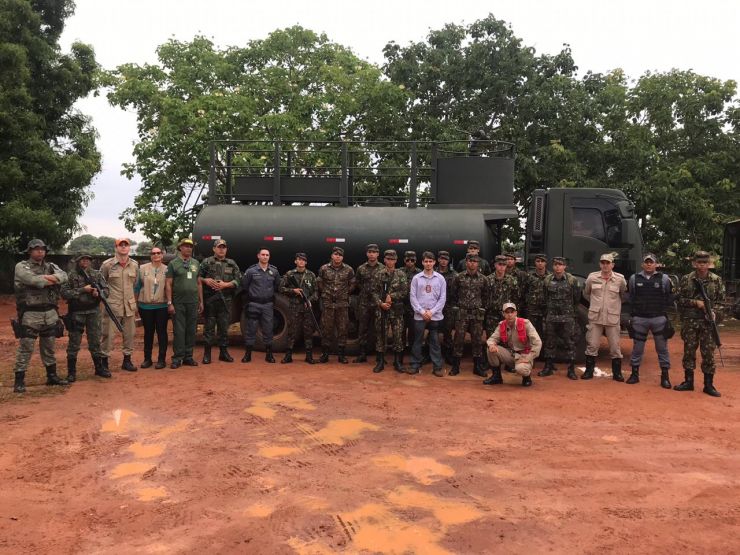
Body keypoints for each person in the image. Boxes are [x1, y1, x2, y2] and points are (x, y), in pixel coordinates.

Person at [11, 239, 69, 393]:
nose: (40, 252)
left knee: (49, 346)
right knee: (26, 347)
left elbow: (64, 277)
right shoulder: (22, 266)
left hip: (50, 312)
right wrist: (51, 279)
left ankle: (52, 377)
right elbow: (32, 280)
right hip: (30, 313)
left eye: (42, 249)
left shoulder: (51, 266)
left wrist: (44, 280)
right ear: (29, 251)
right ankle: (19, 381)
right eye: (36, 249)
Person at [675, 251, 726, 397]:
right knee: (689, 351)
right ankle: (688, 382)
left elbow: (722, 302)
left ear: (709, 264)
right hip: (690, 321)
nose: (702, 265)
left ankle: (708, 385)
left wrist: (715, 312)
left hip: (708, 323)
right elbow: (680, 299)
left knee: (708, 353)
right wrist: (696, 303)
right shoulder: (686, 279)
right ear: (694, 263)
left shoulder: (716, 280)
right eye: (699, 262)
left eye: (705, 262)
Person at [627, 253, 674, 387]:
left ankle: (665, 377)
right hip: (640, 318)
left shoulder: (664, 278)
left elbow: (669, 296)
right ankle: (634, 374)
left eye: (651, 262)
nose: (649, 264)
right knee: (637, 348)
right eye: (646, 262)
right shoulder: (634, 278)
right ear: (642, 264)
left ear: (656, 264)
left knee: (662, 348)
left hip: (658, 318)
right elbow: (630, 296)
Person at [61, 253, 110, 381]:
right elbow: (64, 293)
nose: (85, 261)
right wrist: (83, 290)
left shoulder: (96, 274)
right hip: (76, 312)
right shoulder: (71, 275)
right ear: (78, 261)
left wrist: (98, 292)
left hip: (93, 311)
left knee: (95, 341)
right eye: (82, 259)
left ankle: (99, 368)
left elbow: (106, 291)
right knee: (74, 343)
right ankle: (71, 372)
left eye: (88, 259)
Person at [582, 253, 627, 381]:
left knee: (615, 347)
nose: (605, 265)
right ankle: (589, 371)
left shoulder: (620, 279)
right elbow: (586, 293)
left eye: (608, 263)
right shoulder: (592, 277)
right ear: (599, 264)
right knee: (592, 345)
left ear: (613, 264)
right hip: (595, 318)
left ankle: (617, 373)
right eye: (603, 263)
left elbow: (623, 295)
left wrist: (613, 307)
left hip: (612, 318)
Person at [199, 239, 241, 365]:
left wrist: (226, 285)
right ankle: (207, 354)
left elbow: (238, 280)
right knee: (209, 329)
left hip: (225, 301)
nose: (221, 249)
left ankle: (223, 353)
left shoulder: (231, 263)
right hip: (210, 301)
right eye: (219, 247)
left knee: (224, 328)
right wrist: (206, 281)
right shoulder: (206, 262)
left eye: (224, 247)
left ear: (226, 249)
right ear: (214, 249)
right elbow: (198, 277)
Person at [100, 237, 139, 372]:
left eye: (126, 245)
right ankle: (104, 362)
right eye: (120, 245)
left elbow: (134, 284)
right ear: (116, 248)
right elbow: (101, 284)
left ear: (129, 248)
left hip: (129, 306)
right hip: (112, 306)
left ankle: (127, 361)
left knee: (129, 334)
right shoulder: (107, 265)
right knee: (108, 335)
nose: (123, 247)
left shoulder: (134, 265)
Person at [539, 257, 581, 379]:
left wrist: (570, 312)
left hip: (567, 317)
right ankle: (548, 367)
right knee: (550, 342)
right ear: (553, 266)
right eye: (556, 264)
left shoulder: (572, 280)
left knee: (569, 342)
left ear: (565, 266)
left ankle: (571, 369)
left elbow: (576, 298)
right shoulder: (547, 280)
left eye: (560, 265)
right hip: (551, 316)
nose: (558, 267)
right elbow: (545, 296)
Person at [166, 238, 203, 369]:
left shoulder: (196, 263)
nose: (188, 248)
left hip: (193, 302)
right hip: (178, 303)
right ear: (180, 248)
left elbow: (199, 283)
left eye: (190, 246)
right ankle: (177, 358)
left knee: (191, 331)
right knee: (179, 331)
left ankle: (188, 357)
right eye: (185, 246)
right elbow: (168, 284)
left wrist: (201, 301)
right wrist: (170, 303)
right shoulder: (173, 264)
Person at [449, 253, 489, 377]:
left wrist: (482, 308)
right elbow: (453, 294)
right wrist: (457, 308)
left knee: (477, 340)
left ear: (478, 263)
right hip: (462, 313)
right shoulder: (459, 277)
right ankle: (455, 367)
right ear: (466, 262)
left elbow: (486, 296)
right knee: (458, 339)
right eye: (470, 261)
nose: (472, 263)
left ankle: (477, 367)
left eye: (475, 261)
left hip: (477, 314)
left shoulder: (483, 279)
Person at [408, 251, 446, 376]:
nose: (428, 264)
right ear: (422, 262)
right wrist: (422, 311)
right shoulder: (416, 278)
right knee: (417, 340)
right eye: (426, 261)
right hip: (420, 316)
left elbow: (442, 298)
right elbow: (413, 297)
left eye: (430, 261)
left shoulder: (440, 279)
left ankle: (437, 367)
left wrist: (432, 312)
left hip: (435, 316)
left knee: (434, 341)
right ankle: (415, 365)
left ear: (434, 262)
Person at [485, 302, 542, 387]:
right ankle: (496, 376)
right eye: (507, 312)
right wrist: (492, 345)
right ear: (503, 314)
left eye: (512, 312)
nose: (510, 315)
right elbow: (492, 339)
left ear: (516, 313)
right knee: (491, 350)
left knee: (521, 369)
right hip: (511, 354)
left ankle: (526, 378)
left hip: (524, 355)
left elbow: (537, 342)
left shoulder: (525, 323)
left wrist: (529, 357)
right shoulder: (502, 325)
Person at [371, 249, 408, 373]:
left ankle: (397, 362)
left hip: (396, 311)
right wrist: (380, 303)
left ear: (396, 260)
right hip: (382, 310)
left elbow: (404, 291)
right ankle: (380, 362)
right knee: (381, 336)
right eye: (388, 259)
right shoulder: (379, 274)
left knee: (398, 336)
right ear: (384, 260)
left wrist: (392, 296)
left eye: (392, 259)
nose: (390, 261)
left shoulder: (401, 274)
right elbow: (374, 292)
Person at [241, 247, 280, 363]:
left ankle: (269, 355)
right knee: (251, 329)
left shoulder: (274, 271)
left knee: (268, 330)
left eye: (267, 255)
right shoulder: (251, 271)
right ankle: (248, 354)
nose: (265, 257)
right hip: (254, 304)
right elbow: (245, 286)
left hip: (268, 305)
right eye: (263, 255)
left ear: (269, 257)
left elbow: (277, 286)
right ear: (258, 256)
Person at [317, 246, 355, 363]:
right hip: (328, 303)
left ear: (342, 257)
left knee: (342, 329)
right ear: (332, 256)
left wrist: (345, 293)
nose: (338, 256)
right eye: (335, 254)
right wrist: (326, 293)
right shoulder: (324, 268)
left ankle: (341, 355)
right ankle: (325, 354)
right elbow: (319, 282)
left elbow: (352, 283)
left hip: (342, 304)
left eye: (340, 255)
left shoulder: (348, 269)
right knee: (326, 328)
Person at [279, 252, 318, 364]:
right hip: (294, 307)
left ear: (306, 262)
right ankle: (288, 355)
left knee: (308, 331)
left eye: (303, 260)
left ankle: (309, 356)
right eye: (299, 259)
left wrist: (310, 300)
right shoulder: (289, 274)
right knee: (292, 331)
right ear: (295, 261)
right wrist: (293, 291)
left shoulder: (311, 275)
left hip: (307, 308)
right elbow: (281, 288)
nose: (301, 261)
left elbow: (316, 292)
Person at [135, 246, 169, 369]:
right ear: (151, 256)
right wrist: (135, 304)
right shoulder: (142, 269)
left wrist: (170, 303)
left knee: (161, 332)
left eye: (158, 253)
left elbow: (170, 287)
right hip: (145, 306)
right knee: (148, 333)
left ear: (162, 255)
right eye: (153, 253)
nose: (156, 255)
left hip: (162, 306)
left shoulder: (167, 269)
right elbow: (137, 287)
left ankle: (161, 359)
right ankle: (147, 359)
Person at [353, 244, 382, 362]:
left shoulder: (383, 268)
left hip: (377, 303)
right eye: (369, 252)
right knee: (363, 328)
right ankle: (362, 354)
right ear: (367, 254)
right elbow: (357, 282)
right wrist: (366, 291)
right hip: (364, 302)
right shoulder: (361, 268)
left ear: (378, 254)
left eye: (374, 252)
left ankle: (379, 355)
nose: (372, 254)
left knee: (378, 329)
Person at [486, 255, 518, 338]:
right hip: (492, 314)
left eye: (504, 265)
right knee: (491, 338)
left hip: (507, 314)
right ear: (495, 265)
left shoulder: (511, 280)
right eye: (499, 264)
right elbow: (484, 296)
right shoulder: (488, 280)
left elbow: (515, 297)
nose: (501, 267)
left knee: (507, 339)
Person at [436, 250, 457, 364]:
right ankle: (431, 353)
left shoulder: (454, 275)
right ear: (438, 259)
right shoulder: (433, 273)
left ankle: (448, 353)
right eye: (442, 259)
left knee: (448, 331)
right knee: (433, 330)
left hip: (448, 306)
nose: (444, 261)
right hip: (435, 307)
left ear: (448, 261)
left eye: (446, 259)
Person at [401, 250, 421, 358]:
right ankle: (401, 354)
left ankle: (413, 354)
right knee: (401, 332)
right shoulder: (399, 272)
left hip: (414, 307)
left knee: (414, 331)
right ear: (404, 260)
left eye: (412, 260)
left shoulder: (419, 273)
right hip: (402, 306)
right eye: (407, 260)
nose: (410, 262)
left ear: (415, 261)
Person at [525, 254, 550, 342]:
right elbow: (524, 290)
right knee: (531, 332)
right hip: (532, 309)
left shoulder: (550, 276)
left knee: (545, 332)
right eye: (538, 261)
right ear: (535, 263)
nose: (540, 263)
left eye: (542, 261)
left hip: (546, 309)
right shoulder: (529, 275)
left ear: (546, 263)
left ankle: (543, 353)